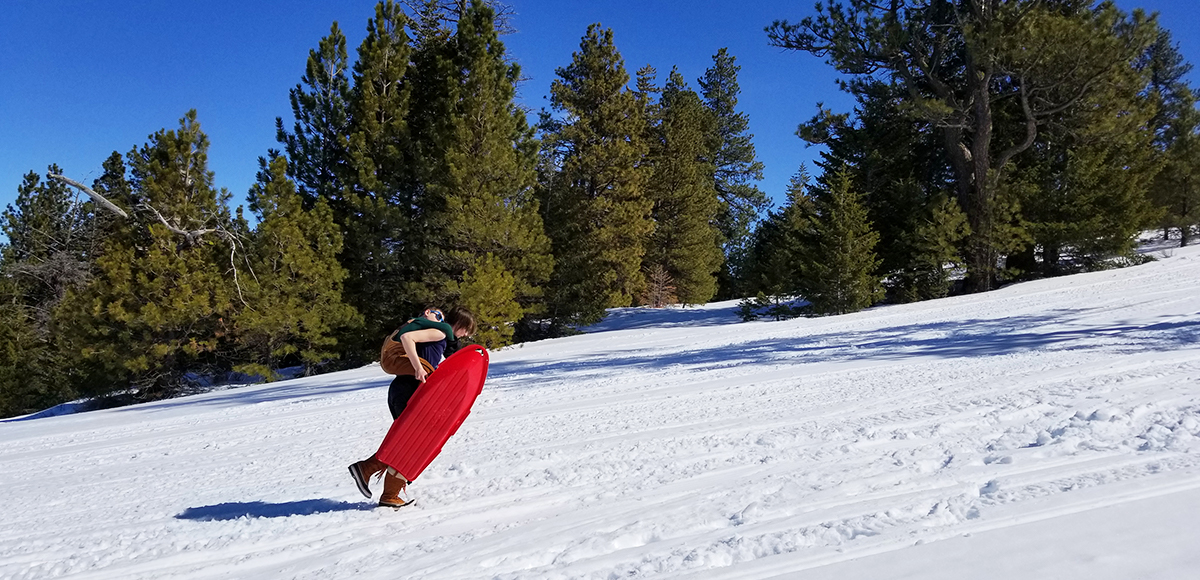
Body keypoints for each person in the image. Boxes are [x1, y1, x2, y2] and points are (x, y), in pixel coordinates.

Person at [349, 306, 476, 507]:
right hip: (408, 391)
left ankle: (381, 484)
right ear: (459, 322)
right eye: (466, 328)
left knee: (411, 442)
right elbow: (407, 338)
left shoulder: (442, 337)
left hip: (404, 390)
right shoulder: (440, 332)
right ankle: (372, 475)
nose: (466, 334)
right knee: (414, 443)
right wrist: (418, 368)